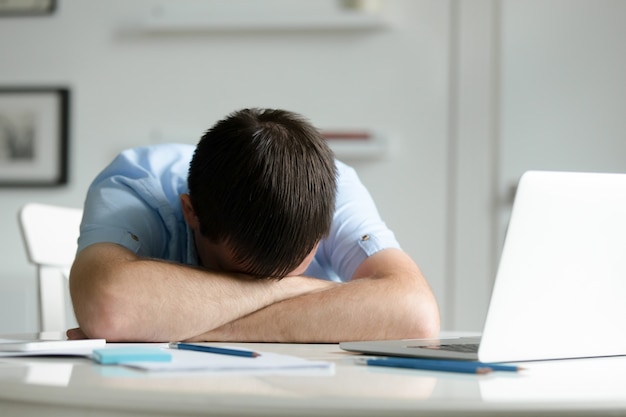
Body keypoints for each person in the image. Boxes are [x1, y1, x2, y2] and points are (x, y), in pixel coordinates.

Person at [68, 108, 440, 343]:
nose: (269, 285)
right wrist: (308, 295)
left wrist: (197, 328)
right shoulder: (136, 184)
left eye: (287, 277)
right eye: (240, 276)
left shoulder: (332, 189)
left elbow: (416, 313)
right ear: (191, 212)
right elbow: (109, 306)